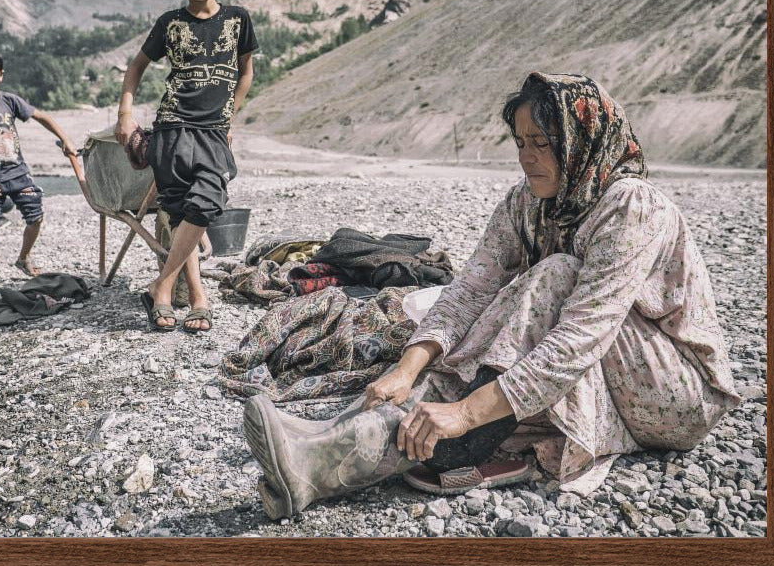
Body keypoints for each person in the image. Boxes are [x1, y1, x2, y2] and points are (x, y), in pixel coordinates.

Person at [243, 72, 741, 520]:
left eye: (542, 143)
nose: (526, 157)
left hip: (674, 396)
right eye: (521, 141)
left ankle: (459, 442)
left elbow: (582, 336)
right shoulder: (528, 201)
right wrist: (407, 368)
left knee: (552, 278)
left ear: (582, 142)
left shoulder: (631, 205)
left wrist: (464, 413)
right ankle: (324, 455)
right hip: (600, 365)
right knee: (475, 338)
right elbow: (470, 289)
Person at [114, 0, 258, 333]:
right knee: (181, 213)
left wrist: (229, 117)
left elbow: (245, 73)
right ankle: (197, 296)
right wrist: (125, 114)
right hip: (173, 127)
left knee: (208, 199)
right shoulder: (170, 24)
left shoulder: (238, 19)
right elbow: (136, 67)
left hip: (212, 131)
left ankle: (161, 285)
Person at [0, 42, 77, 297]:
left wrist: (65, 139)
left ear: (1, 75)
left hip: (18, 174)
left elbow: (42, 116)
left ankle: (23, 258)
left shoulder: (9, 101)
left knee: (36, 216)